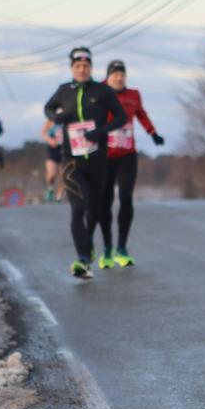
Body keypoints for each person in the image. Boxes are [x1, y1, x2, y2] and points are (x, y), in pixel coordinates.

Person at [43, 47, 127, 279]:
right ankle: (82, 258)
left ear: (90, 68)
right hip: (72, 161)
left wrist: (101, 132)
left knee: (95, 210)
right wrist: (55, 117)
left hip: (98, 159)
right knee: (77, 209)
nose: (82, 70)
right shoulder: (63, 91)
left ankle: (88, 245)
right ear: (72, 69)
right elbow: (48, 108)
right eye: (78, 66)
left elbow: (121, 117)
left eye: (86, 66)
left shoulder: (102, 91)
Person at [96, 59, 164, 269]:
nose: (119, 77)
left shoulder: (133, 95)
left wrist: (152, 133)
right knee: (104, 202)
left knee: (126, 198)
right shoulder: (99, 92)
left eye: (122, 74)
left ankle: (122, 248)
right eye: (115, 74)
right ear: (108, 77)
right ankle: (107, 248)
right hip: (104, 156)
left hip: (127, 155)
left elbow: (141, 114)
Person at [40, 118, 64, 203]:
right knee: (51, 174)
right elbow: (43, 133)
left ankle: (59, 197)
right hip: (53, 150)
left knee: (63, 175)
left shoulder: (68, 117)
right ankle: (50, 188)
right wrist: (49, 140)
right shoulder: (51, 120)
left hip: (64, 149)